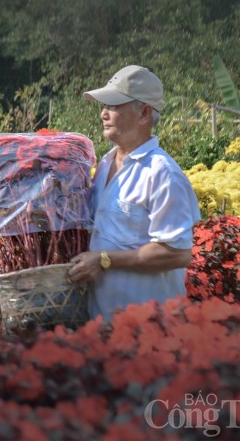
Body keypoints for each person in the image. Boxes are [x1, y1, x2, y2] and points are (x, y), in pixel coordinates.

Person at [66, 65, 201, 321]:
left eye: (114, 105)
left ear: (144, 114)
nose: (104, 114)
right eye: (103, 106)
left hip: (149, 328)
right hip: (101, 324)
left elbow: (177, 253)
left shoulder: (161, 173)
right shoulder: (104, 164)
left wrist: (105, 260)